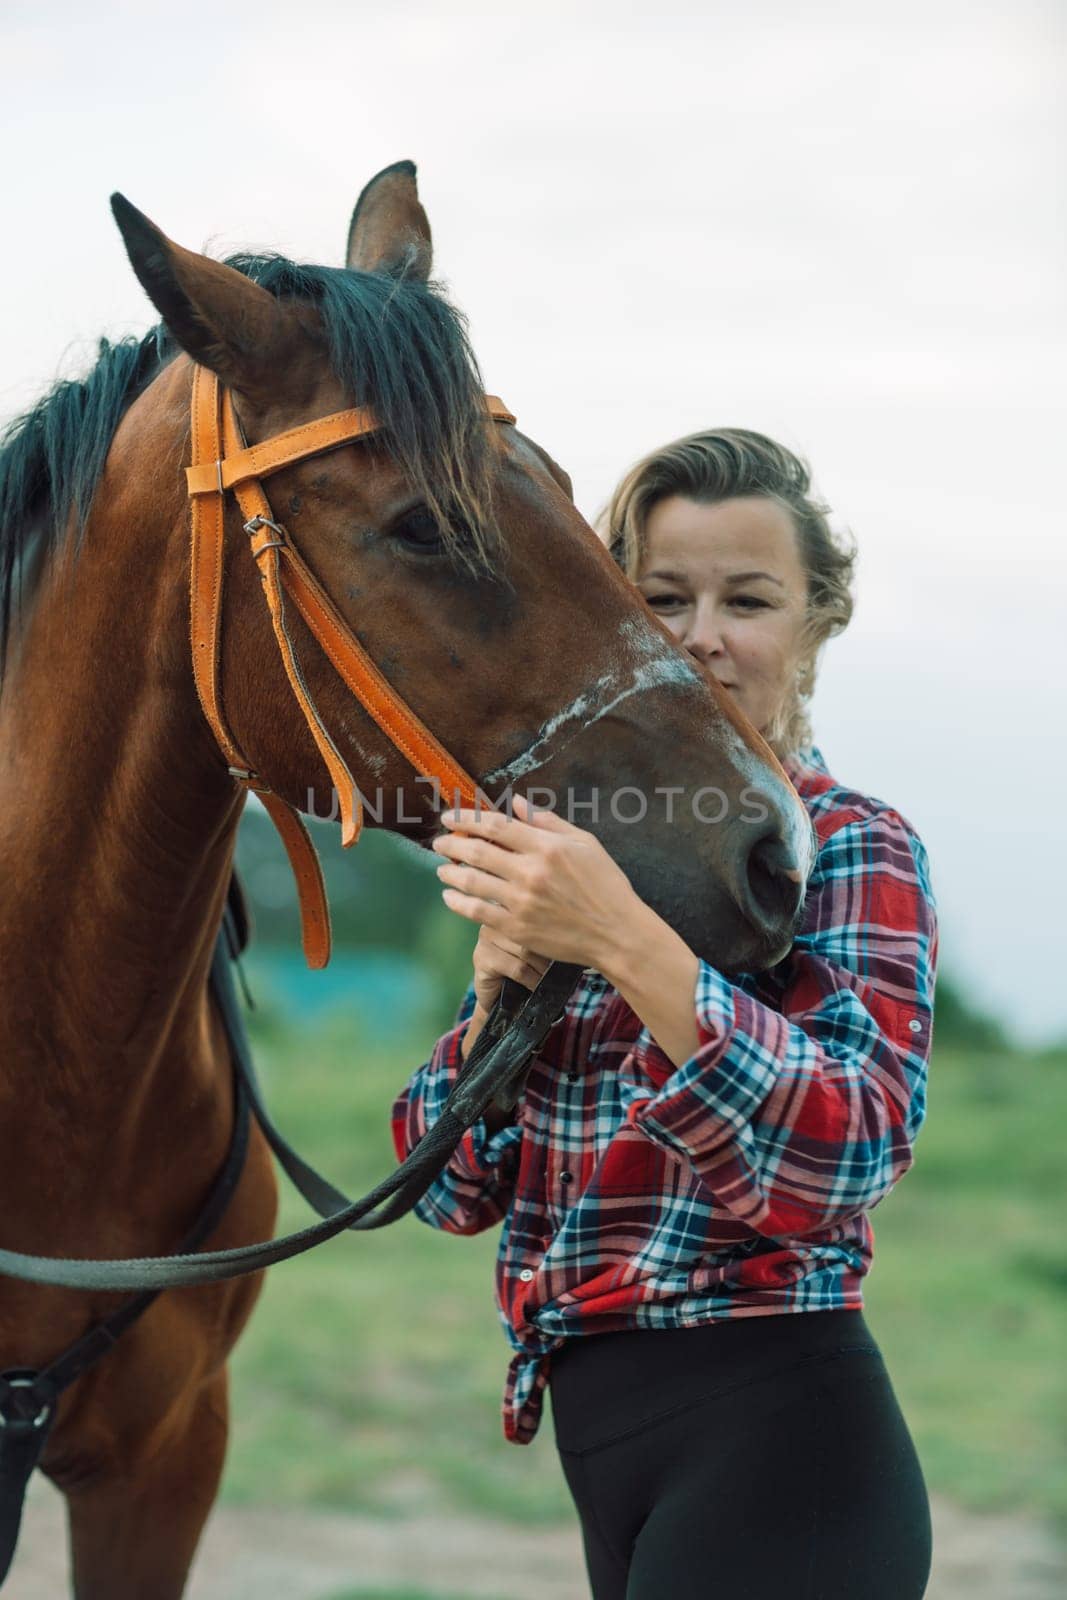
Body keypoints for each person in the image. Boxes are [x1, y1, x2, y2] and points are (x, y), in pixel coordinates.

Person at [392, 428, 938, 1599]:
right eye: (661, 596)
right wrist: (497, 988)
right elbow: (444, 1191)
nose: (701, 634)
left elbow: (847, 1154)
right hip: (607, 1455)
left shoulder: (848, 843)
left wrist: (625, 943)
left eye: (747, 599)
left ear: (814, 625)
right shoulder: (581, 856)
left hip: (783, 1448)